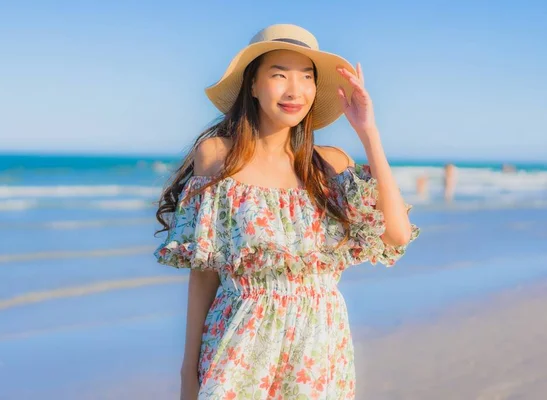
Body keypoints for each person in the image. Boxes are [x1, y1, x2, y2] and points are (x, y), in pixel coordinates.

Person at [154, 24, 420, 399]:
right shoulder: (217, 157)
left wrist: (368, 131)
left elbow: (397, 234)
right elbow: (204, 273)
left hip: (318, 349)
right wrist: (188, 371)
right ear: (253, 84)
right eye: (279, 75)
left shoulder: (331, 165)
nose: (295, 90)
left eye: (306, 77)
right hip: (239, 341)